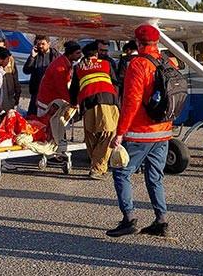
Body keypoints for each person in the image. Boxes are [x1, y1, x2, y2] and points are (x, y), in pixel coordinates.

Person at [106, 25, 173, 238]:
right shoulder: (167, 62)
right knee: (155, 176)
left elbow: (131, 102)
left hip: (140, 132)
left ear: (137, 42)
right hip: (163, 130)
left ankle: (129, 218)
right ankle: (161, 220)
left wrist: (119, 132)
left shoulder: (138, 64)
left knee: (121, 172)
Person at [69, 42, 119, 180]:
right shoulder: (106, 64)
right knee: (108, 133)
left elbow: (73, 89)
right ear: (96, 54)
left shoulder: (78, 67)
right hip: (108, 100)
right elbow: (115, 83)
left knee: (91, 134)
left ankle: (96, 165)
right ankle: (97, 167)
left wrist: (73, 104)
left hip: (88, 102)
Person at [35, 41, 82, 116]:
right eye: (77, 53)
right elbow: (61, 88)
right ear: (70, 54)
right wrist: (71, 103)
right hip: (48, 102)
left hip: (53, 100)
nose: (80, 55)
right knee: (47, 125)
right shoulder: (60, 67)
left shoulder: (65, 63)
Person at [22, 35, 59, 116]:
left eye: (43, 44)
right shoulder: (35, 55)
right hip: (37, 93)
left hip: (51, 93)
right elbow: (26, 70)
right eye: (39, 44)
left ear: (48, 44)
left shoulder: (56, 56)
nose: (40, 46)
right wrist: (32, 57)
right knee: (33, 118)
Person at [0, 37, 21, 111]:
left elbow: (15, 78)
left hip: (9, 96)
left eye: (1, 48)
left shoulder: (10, 60)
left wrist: (17, 97)